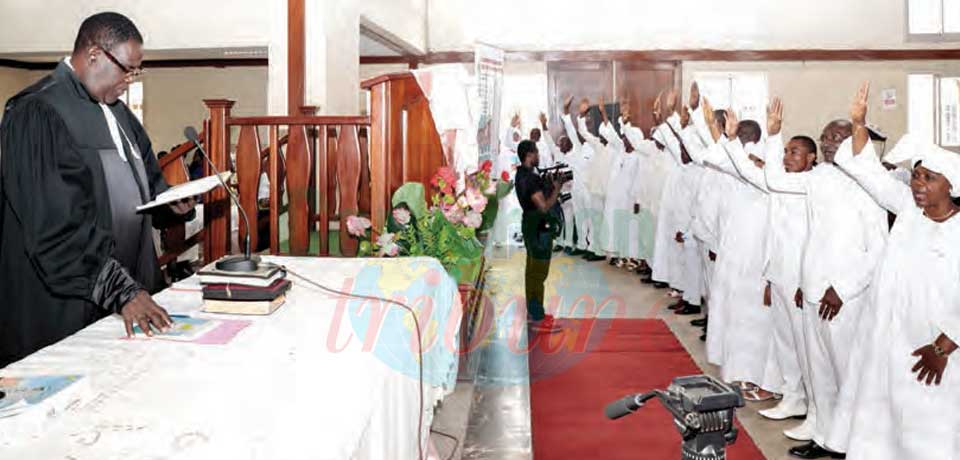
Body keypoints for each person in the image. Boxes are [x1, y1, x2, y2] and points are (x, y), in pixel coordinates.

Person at [0, 12, 196, 367]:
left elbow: (148, 186)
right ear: (93, 55)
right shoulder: (38, 112)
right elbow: (53, 227)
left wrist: (170, 204)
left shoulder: (122, 117)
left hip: (124, 295)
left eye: (137, 71)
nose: (130, 80)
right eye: (127, 69)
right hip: (64, 309)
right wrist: (120, 290)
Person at [830, 82, 960, 460]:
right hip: (888, 339)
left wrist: (943, 346)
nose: (918, 185)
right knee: (883, 430)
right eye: (917, 176)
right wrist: (858, 124)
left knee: (931, 433)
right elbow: (868, 172)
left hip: (933, 350)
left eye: (930, 179)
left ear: (951, 186)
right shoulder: (906, 210)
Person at [764, 85, 888, 459]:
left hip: (845, 298)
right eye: (826, 138)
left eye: (839, 136)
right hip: (813, 291)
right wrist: (773, 136)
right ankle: (827, 437)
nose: (830, 143)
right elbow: (777, 182)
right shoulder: (819, 178)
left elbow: (878, 247)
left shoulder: (870, 183)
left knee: (846, 373)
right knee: (819, 373)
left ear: (857, 141)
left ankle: (853, 442)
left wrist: (843, 288)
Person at [515, 140, 564, 334]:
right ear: (529, 154)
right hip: (538, 229)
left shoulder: (521, 174)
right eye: (536, 153)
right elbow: (543, 206)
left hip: (529, 224)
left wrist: (549, 187)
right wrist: (557, 189)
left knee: (531, 270)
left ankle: (534, 310)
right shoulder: (531, 178)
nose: (539, 156)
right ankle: (538, 317)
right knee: (539, 273)